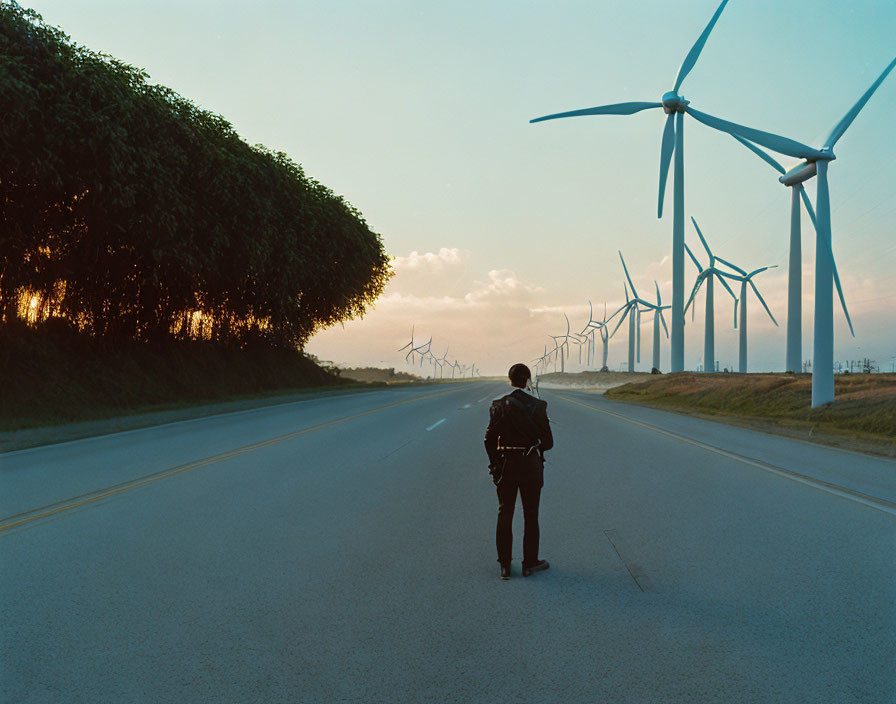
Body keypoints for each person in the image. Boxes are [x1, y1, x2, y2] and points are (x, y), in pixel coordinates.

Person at [484, 363, 554, 580]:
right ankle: (529, 564)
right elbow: (549, 443)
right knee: (531, 514)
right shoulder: (538, 406)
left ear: (510, 379)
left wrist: (495, 465)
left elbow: (488, 440)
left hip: (506, 465)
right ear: (527, 380)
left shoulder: (497, 405)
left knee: (505, 513)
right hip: (531, 466)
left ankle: (505, 566)